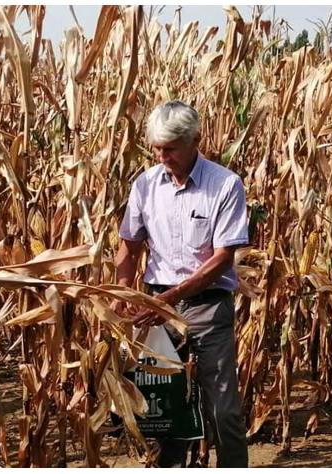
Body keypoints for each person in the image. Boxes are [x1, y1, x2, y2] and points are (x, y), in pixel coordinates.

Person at [114, 100, 250, 468]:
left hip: (207, 304)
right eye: (156, 148)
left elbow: (222, 258)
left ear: (195, 141)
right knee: (167, 402)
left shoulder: (224, 185)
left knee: (221, 406)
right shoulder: (145, 184)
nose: (162, 156)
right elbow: (129, 242)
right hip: (157, 302)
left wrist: (171, 300)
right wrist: (124, 287)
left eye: (170, 149)